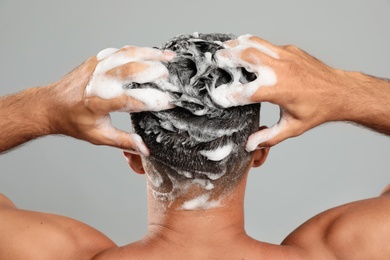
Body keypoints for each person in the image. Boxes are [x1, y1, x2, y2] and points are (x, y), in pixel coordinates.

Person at [0, 33, 389, 260]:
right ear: (260, 152)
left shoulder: (53, 253)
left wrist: (47, 107)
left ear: (135, 157)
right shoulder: (343, 250)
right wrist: (343, 90)